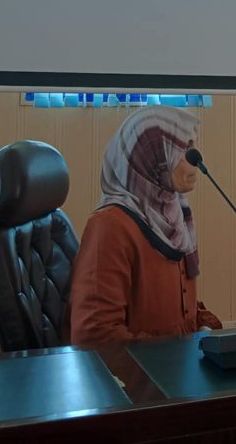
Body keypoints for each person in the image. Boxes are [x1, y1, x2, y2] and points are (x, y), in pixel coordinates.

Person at [65, 105, 222, 346]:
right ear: (151, 157)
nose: (196, 159)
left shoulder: (175, 213)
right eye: (184, 148)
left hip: (176, 364)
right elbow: (95, 335)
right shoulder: (110, 227)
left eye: (193, 145)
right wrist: (175, 352)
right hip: (140, 368)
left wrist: (203, 330)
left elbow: (181, 310)